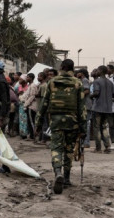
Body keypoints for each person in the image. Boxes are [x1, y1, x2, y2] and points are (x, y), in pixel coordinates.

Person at [36, 59, 85, 194]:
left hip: (56, 121)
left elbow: (44, 104)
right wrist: (84, 128)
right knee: (69, 149)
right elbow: (82, 107)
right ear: (72, 68)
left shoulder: (52, 82)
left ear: (62, 67)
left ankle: (58, 172)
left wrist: (38, 123)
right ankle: (67, 178)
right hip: (72, 121)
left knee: (56, 148)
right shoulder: (78, 83)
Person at [90, 65, 114, 153]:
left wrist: (90, 96)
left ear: (100, 71)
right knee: (104, 127)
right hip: (107, 108)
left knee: (96, 128)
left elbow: (96, 92)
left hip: (98, 107)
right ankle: (107, 146)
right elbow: (113, 95)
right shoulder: (110, 82)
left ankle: (98, 147)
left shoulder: (97, 81)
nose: (97, 72)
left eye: (98, 70)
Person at [76, 69, 92, 147]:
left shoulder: (84, 80)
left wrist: (78, 95)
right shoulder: (82, 80)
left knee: (86, 124)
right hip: (85, 105)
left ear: (81, 74)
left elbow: (87, 91)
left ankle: (86, 142)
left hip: (86, 105)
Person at [22, 73, 38, 140]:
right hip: (29, 106)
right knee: (29, 121)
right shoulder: (30, 85)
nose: (26, 78)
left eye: (28, 77)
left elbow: (32, 96)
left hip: (31, 106)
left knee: (31, 122)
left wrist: (26, 104)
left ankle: (33, 136)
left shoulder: (33, 86)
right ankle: (31, 135)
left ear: (31, 78)